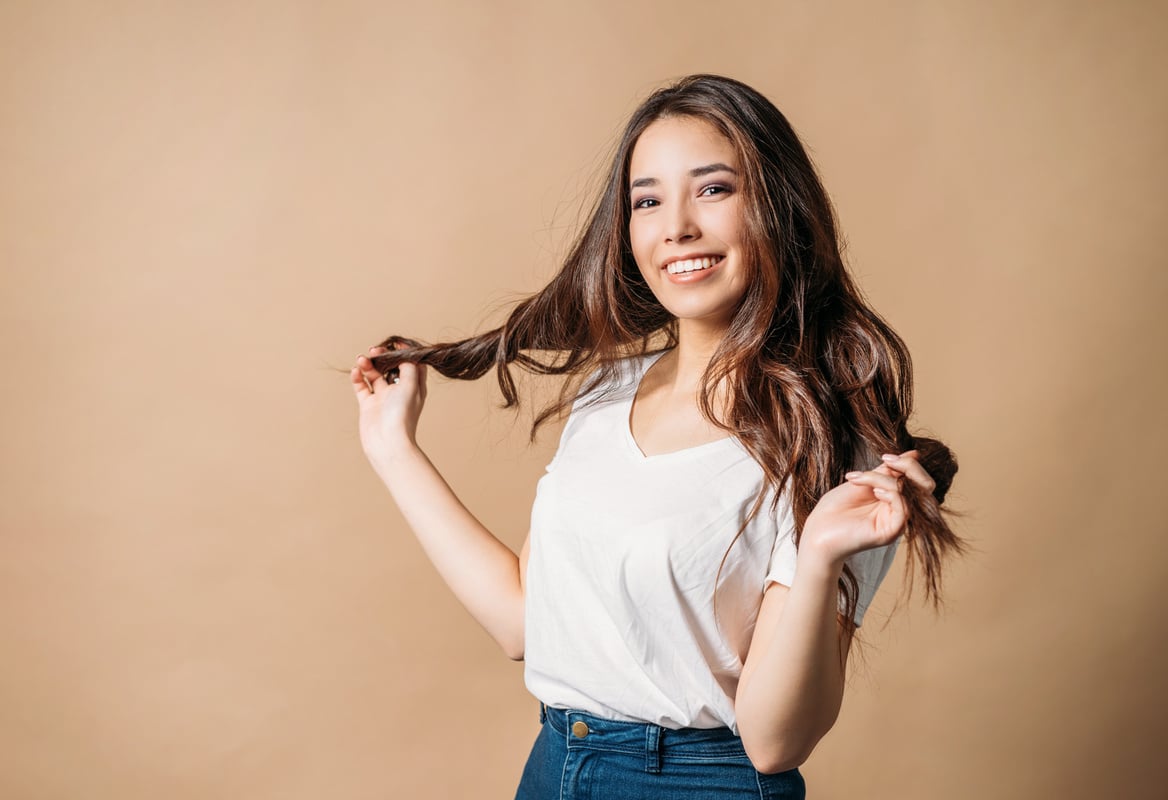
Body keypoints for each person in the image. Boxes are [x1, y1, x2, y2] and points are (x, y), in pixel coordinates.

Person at [349, 74, 963, 799]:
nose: (676, 227)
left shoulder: (831, 440)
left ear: (777, 207)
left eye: (712, 190)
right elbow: (526, 624)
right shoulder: (608, 393)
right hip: (552, 767)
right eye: (647, 200)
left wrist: (822, 553)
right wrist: (393, 449)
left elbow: (773, 742)